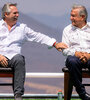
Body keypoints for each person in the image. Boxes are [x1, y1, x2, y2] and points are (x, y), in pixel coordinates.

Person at [0, 3, 67, 100]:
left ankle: (18, 95)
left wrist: (54, 43)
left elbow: (38, 36)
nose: (17, 15)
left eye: (18, 13)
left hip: (13, 59)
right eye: (15, 13)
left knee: (19, 59)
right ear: (6, 14)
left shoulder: (22, 28)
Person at [60, 4, 90, 100]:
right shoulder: (67, 30)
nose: (70, 18)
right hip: (75, 59)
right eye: (71, 15)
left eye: (73, 16)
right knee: (71, 61)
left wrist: (88, 55)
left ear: (82, 17)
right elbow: (64, 50)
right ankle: (82, 93)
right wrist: (77, 53)